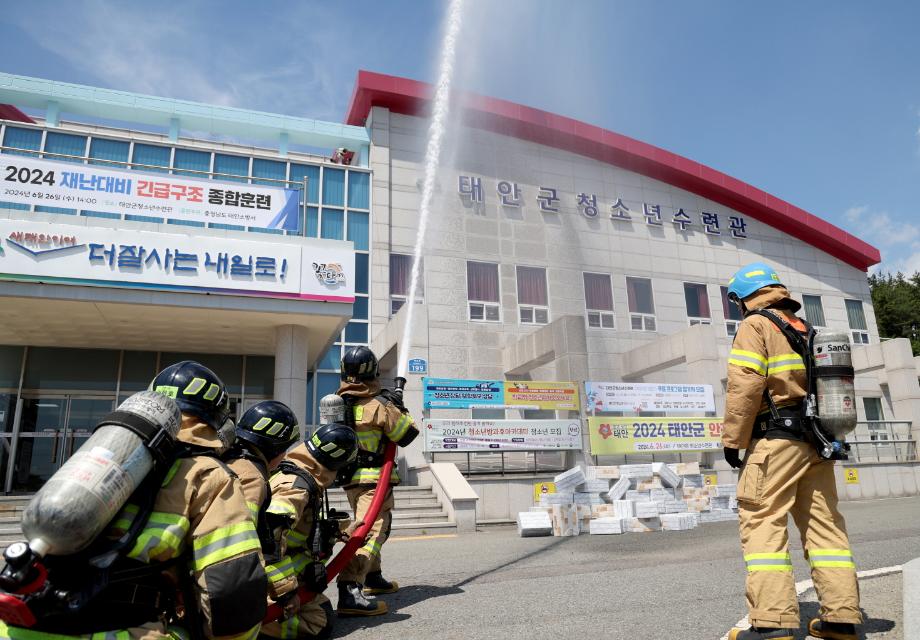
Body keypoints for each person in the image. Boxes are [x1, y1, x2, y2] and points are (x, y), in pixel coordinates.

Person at [722, 264, 860, 640]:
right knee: (825, 528)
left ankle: (771, 625)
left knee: (762, 521)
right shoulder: (807, 329)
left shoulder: (756, 325)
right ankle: (841, 619)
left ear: (742, 298)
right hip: (816, 442)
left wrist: (734, 440)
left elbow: (745, 385)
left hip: (776, 440)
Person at [334, 346, 419, 617]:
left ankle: (373, 577)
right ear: (373, 372)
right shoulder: (379, 405)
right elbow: (407, 434)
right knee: (371, 532)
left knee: (372, 527)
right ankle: (349, 589)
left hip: (351, 480)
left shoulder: (339, 405)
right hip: (374, 481)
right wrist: (398, 406)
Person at [261, 422, 359, 640]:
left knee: (322, 608)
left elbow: (301, 526)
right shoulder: (296, 487)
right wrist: (287, 593)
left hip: (275, 572)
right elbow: (270, 535)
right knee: (318, 623)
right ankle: (245, 628)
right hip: (269, 577)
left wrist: (340, 531)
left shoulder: (301, 473)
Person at [225, 401, 301, 528]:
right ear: (275, 448)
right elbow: (242, 532)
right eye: (285, 448)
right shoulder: (253, 478)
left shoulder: (230, 459)